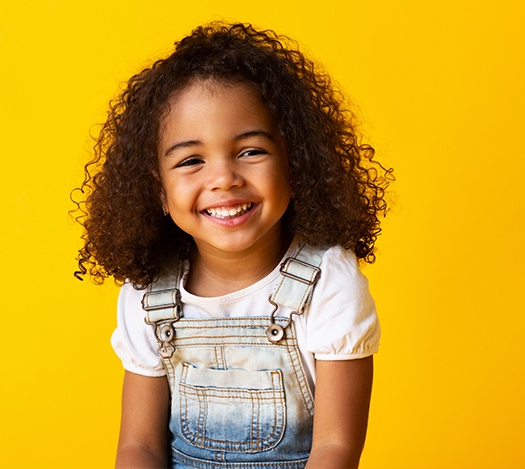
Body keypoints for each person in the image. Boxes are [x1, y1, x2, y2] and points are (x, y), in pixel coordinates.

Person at [72, 22, 392, 469]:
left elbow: (335, 449)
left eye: (250, 151)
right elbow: (138, 447)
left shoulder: (329, 284)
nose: (224, 178)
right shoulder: (148, 294)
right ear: (158, 191)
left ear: (295, 163)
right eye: (191, 160)